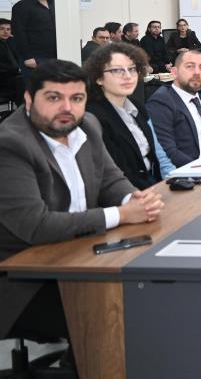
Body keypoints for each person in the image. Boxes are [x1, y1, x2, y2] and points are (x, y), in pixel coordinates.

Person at [0, 59, 164, 342]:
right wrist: (123, 214)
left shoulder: (87, 125)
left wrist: (135, 199)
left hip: (80, 251)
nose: (67, 107)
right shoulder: (10, 144)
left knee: (155, 288)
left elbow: (110, 179)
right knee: (120, 314)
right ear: (28, 99)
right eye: (54, 98)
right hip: (22, 277)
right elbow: (37, 226)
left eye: (76, 98)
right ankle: (85, 360)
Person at [83, 42, 162, 189]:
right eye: (117, 70)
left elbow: (153, 158)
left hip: (153, 185)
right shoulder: (93, 117)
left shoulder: (137, 107)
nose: (128, 76)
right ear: (98, 78)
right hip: (125, 192)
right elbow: (114, 173)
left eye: (132, 69)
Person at [147, 50, 201, 168]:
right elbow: (169, 152)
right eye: (190, 66)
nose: (197, 72)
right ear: (174, 72)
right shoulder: (161, 101)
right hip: (192, 172)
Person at [11, 0, 56, 72]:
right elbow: (18, 33)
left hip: (57, 55)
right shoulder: (21, 6)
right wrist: (27, 57)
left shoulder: (55, 3)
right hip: (34, 58)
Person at [0, 18, 24, 104]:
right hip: (3, 76)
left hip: (14, 75)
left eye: (8, 29)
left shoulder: (11, 42)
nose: (5, 32)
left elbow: (21, 57)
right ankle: (22, 109)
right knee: (21, 80)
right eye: (2, 29)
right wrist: (16, 69)